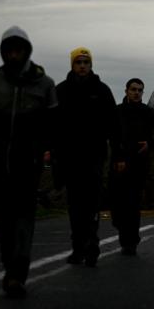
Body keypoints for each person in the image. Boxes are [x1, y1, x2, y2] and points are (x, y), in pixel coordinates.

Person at [0, 26, 57, 298]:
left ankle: (18, 273)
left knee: (24, 217)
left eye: (19, 49)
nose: (14, 54)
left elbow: (53, 124)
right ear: (3, 52)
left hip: (27, 161)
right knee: (4, 219)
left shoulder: (45, 84)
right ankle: (10, 267)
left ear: (26, 51)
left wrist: (49, 148)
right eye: (9, 49)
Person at [54, 47, 124, 267]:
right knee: (75, 205)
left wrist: (118, 155)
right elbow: (52, 125)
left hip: (94, 156)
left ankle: (92, 247)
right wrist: (49, 149)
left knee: (92, 204)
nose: (82, 65)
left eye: (86, 62)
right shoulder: (61, 91)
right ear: (72, 65)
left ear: (91, 65)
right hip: (69, 157)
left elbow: (114, 125)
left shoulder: (102, 91)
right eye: (78, 62)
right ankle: (77, 249)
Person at [110, 78, 154, 256]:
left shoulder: (147, 112)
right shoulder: (117, 111)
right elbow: (112, 136)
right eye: (133, 89)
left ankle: (130, 243)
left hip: (138, 164)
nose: (136, 92)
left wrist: (150, 144)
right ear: (126, 91)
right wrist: (118, 157)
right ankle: (123, 232)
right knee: (117, 205)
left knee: (132, 204)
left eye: (140, 90)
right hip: (118, 163)